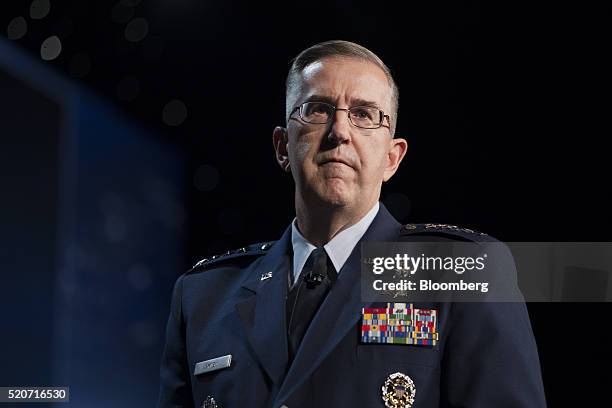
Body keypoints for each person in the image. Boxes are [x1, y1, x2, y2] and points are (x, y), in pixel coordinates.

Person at [158, 40, 546, 408]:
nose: (339, 132)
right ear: (282, 148)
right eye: (318, 109)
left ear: (392, 158)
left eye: (364, 114)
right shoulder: (203, 297)